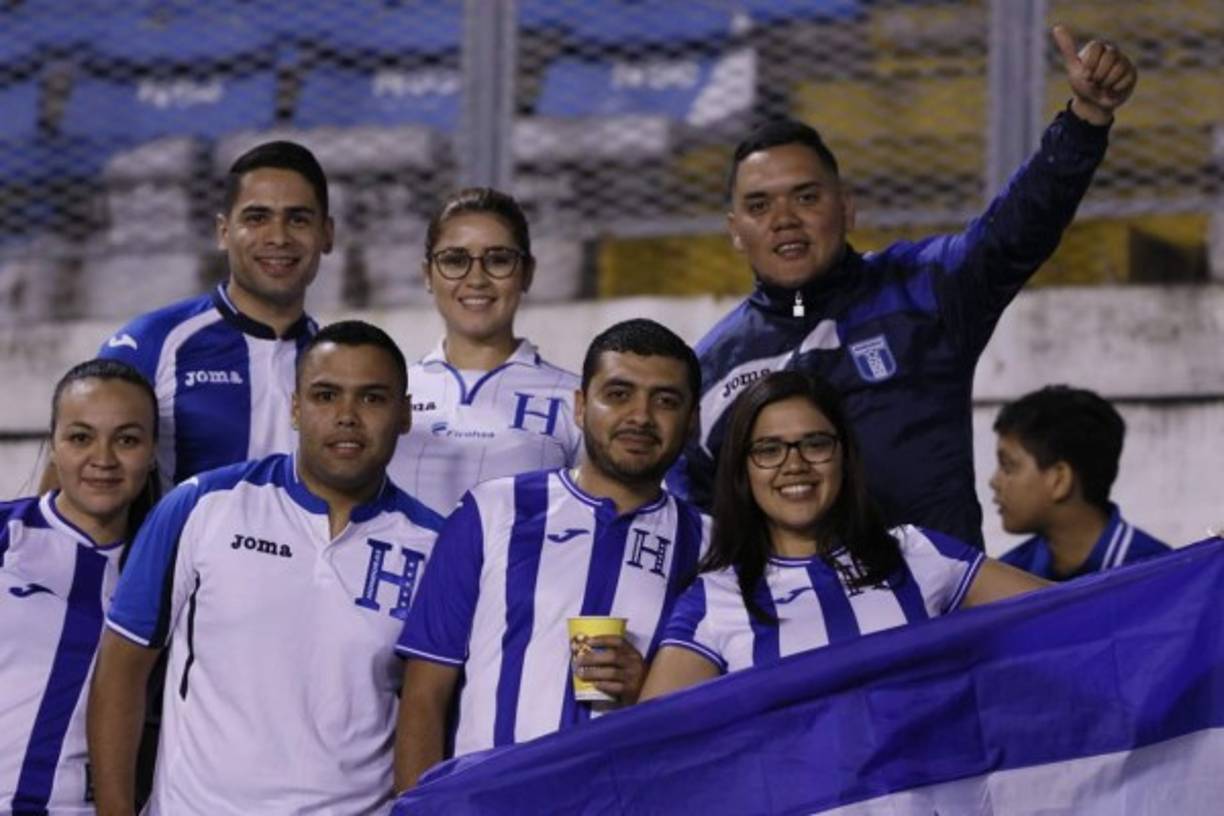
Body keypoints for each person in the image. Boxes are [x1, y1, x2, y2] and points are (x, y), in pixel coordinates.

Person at [670, 27, 1139, 549]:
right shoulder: (708, 371)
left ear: (846, 206)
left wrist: (1085, 121)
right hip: (809, 628)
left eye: (805, 197)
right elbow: (691, 531)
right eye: (760, 206)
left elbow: (1014, 231)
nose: (784, 220)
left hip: (943, 622)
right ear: (735, 229)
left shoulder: (926, 291)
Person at [87, 321, 442, 815]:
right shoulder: (203, 506)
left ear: (404, 413)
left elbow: (432, 712)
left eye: (372, 399)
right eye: (325, 395)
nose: (346, 417)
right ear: (295, 407)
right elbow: (120, 672)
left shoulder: (435, 546)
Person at [394, 319, 709, 791]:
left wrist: (652, 685)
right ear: (581, 407)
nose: (640, 417)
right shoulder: (493, 509)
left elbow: (722, 715)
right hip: (491, 804)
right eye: (618, 394)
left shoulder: (710, 544)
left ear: (691, 423)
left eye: (665, 401)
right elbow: (424, 693)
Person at [641, 371, 1046, 698]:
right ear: (742, 472)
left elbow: (1077, 614)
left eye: (815, 444)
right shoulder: (712, 600)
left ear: (845, 458)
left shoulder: (919, 553)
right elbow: (649, 749)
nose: (794, 464)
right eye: (768, 450)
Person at [96, 140, 334, 488]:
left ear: (327, 234)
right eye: (257, 218)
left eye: (298, 219)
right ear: (223, 232)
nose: (278, 237)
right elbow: (69, 494)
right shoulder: (152, 344)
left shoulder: (337, 364)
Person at [1, 359, 158, 813]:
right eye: (80, 437)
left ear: (152, 453)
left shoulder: (170, 571)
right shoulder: (5, 533)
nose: (103, 460)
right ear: (53, 445)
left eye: (126, 440)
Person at [387, 187, 581, 516]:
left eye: (499, 260)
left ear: (528, 273)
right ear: (427, 276)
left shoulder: (576, 400)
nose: (476, 278)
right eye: (454, 260)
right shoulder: (388, 393)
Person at [990, 385, 1170, 581]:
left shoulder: (1159, 577)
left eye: (1008, 467)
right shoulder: (1011, 576)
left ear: (1060, 480)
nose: (994, 482)